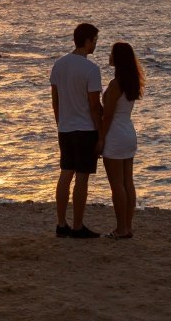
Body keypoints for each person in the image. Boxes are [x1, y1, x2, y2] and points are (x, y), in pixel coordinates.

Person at [49, 23, 103, 238]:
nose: (95, 44)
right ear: (88, 41)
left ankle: (61, 223)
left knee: (65, 174)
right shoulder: (91, 69)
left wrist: (59, 124)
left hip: (65, 128)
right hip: (85, 129)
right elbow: (94, 105)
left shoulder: (59, 65)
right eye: (95, 40)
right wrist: (100, 132)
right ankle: (78, 226)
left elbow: (55, 100)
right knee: (81, 178)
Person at [96, 41, 146, 239]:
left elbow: (108, 115)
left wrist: (101, 138)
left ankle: (121, 228)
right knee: (127, 182)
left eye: (111, 53)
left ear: (118, 58)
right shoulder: (131, 82)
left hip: (115, 134)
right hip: (128, 132)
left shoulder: (116, 84)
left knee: (117, 184)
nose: (109, 56)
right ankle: (127, 226)